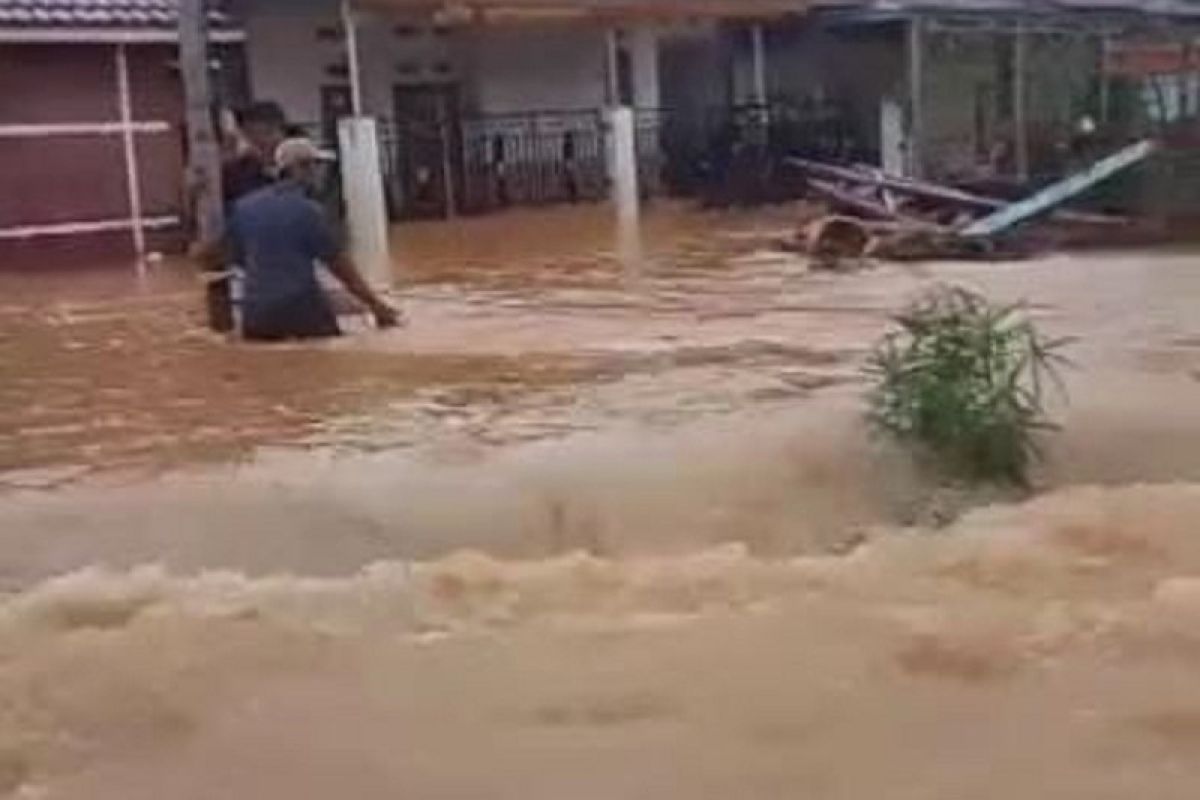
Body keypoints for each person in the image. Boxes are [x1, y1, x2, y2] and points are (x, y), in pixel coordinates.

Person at [228, 138, 399, 341]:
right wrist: (377, 306)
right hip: (302, 310)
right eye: (317, 166)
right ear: (301, 168)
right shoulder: (310, 212)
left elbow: (235, 258)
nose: (320, 174)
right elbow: (342, 269)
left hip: (255, 316)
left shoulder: (244, 207)